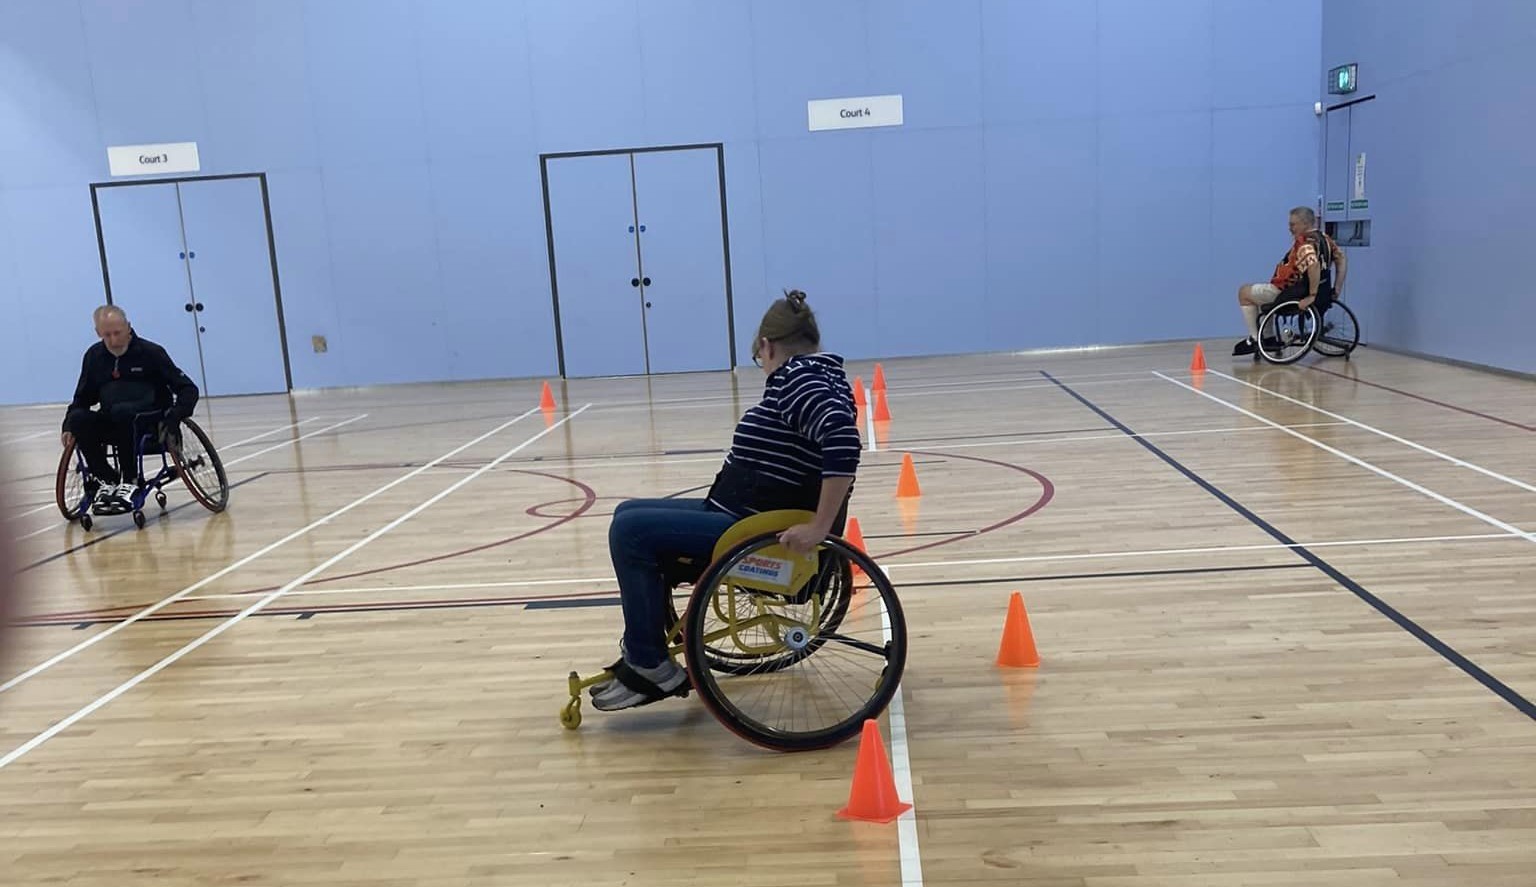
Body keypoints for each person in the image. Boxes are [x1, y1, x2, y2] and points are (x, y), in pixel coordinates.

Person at [589, 289, 862, 712]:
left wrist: (819, 528)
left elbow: (842, 440)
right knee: (629, 513)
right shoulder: (817, 376)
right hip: (742, 513)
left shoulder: (799, 378)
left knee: (629, 531)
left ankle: (648, 663)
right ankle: (646, 643)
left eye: (759, 359)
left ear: (768, 347)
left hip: (753, 527)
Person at [61, 306, 199, 513]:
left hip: (150, 422)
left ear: (128, 328)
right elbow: (81, 398)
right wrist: (68, 425)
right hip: (113, 421)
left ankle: (130, 479)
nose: (113, 339)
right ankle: (106, 478)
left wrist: (176, 414)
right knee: (79, 418)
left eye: (117, 332)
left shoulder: (151, 353)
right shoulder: (94, 357)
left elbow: (188, 389)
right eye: (107, 335)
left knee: (122, 412)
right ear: (98, 333)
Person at [1233, 206, 1347, 356]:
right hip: (1316, 292)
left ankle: (1256, 339)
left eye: (1293, 224)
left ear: (1305, 224)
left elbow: (1313, 265)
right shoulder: (1325, 239)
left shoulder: (1305, 244)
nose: (1290, 228)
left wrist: (1312, 295)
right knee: (1261, 297)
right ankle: (1268, 338)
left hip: (1289, 292)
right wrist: (1337, 288)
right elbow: (1341, 259)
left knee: (1244, 292)